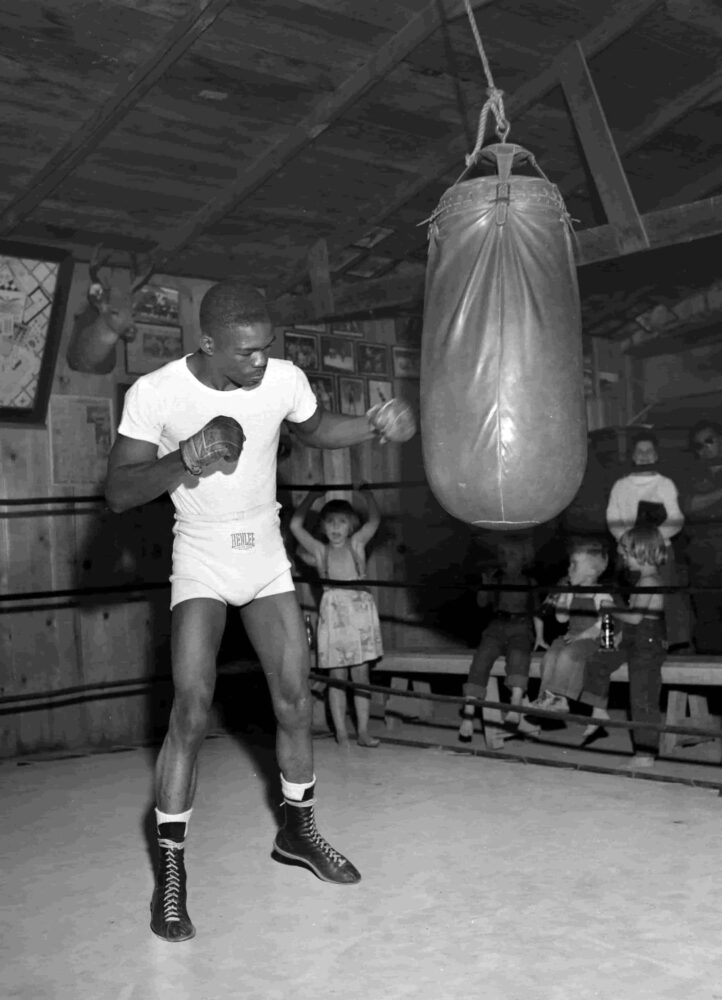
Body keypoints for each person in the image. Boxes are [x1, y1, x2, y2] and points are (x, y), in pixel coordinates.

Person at [105, 281, 416, 942]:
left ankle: (299, 834)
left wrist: (374, 424)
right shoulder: (156, 392)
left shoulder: (281, 378)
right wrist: (181, 460)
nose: (257, 362)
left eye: (265, 348)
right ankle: (171, 873)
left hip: (264, 551)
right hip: (203, 557)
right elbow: (118, 491)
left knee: (295, 700)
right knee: (190, 708)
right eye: (244, 352)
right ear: (209, 341)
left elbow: (315, 427)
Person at [291, 487, 383, 748]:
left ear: (351, 525)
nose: (335, 528)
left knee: (360, 674)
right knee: (337, 676)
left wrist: (368, 496)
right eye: (330, 522)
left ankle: (363, 731)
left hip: (359, 611)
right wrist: (311, 497)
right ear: (323, 526)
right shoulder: (320, 551)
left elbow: (374, 520)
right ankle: (341, 734)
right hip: (334, 613)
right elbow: (296, 524)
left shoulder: (357, 544)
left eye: (342, 522)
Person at [581, 526, 667, 767]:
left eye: (627, 554)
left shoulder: (649, 581)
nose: (624, 559)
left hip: (648, 643)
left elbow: (636, 617)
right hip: (635, 638)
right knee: (599, 660)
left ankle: (645, 753)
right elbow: (634, 622)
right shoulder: (642, 579)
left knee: (642, 697)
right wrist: (619, 637)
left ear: (641, 552)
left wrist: (610, 609)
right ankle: (598, 709)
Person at [605, 429, 690, 650]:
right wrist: (630, 544)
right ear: (633, 456)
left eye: (649, 451)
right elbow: (612, 519)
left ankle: (673, 646)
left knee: (668, 601)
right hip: (627, 554)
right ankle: (620, 642)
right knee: (626, 600)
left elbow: (676, 518)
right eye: (639, 451)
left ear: (656, 455)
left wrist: (650, 541)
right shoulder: (620, 485)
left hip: (658, 553)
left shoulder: (665, 484)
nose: (644, 455)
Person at [457, 536, 542, 743]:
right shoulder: (497, 580)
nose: (506, 560)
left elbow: (537, 612)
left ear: (524, 560)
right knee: (482, 658)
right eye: (502, 555)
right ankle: (468, 715)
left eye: (512, 556)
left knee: (519, 655)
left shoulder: (530, 583)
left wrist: (540, 636)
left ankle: (514, 704)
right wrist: (485, 585)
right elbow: (481, 603)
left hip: (521, 627)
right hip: (496, 626)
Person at [528, 539, 615, 727]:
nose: (569, 569)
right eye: (570, 564)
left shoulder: (600, 594)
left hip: (591, 639)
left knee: (567, 655)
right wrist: (561, 601)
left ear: (591, 572)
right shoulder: (571, 592)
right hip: (571, 636)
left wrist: (585, 636)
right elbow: (561, 620)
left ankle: (561, 698)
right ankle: (546, 697)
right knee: (551, 654)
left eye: (575, 565)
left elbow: (607, 622)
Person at [681, 421, 722, 652]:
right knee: (708, 625)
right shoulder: (692, 473)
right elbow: (688, 505)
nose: (704, 448)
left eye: (709, 441)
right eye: (699, 445)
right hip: (703, 561)